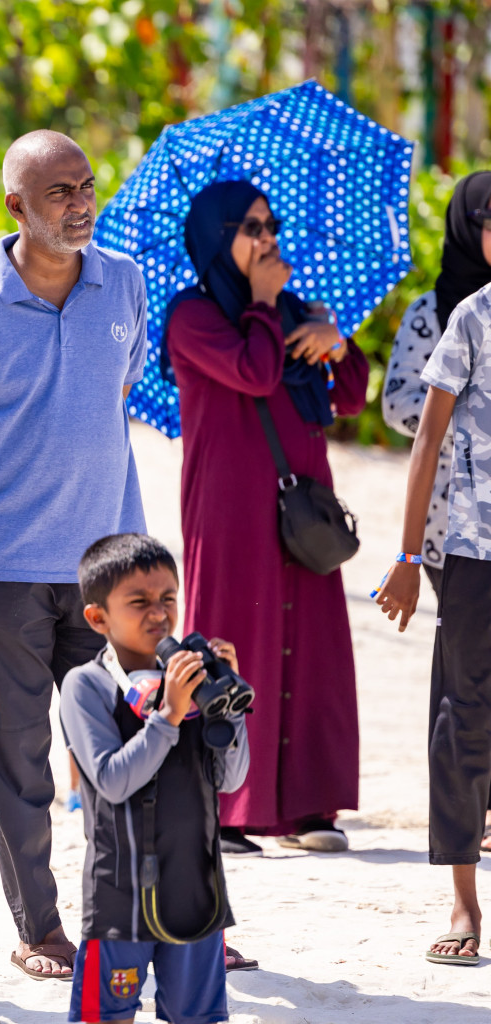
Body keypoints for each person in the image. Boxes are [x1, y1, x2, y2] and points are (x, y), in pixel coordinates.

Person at [0, 130, 147, 980]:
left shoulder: (124, 282)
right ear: (15, 207)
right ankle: (41, 927)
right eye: (58, 192)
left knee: (128, 751)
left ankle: (134, 916)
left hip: (109, 570)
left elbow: (113, 390)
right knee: (19, 767)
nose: (80, 203)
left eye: (86, 187)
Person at [163, 180, 367, 857]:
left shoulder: (293, 310)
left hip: (302, 506)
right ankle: (227, 806)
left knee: (312, 646)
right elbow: (252, 373)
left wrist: (333, 341)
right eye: (250, 226)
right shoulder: (192, 317)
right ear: (219, 238)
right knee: (235, 638)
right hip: (229, 506)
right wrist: (261, 305)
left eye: (271, 223)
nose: (267, 237)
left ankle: (310, 804)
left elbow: (352, 395)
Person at [60, 533, 249, 1024]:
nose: (159, 614)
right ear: (98, 617)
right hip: (120, 896)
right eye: (138, 602)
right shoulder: (88, 685)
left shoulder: (190, 680)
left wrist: (226, 707)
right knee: (106, 1014)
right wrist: (168, 716)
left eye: (169, 598)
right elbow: (112, 780)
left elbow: (230, 779)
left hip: (195, 888)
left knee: (199, 1016)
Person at [374, 276, 491, 968]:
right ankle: (464, 898)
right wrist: (410, 554)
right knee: (461, 716)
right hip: (476, 553)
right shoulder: (474, 317)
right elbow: (428, 440)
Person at [381, 172, 491, 856]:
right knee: (463, 694)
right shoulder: (449, 314)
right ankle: (462, 861)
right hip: (460, 531)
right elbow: (406, 414)